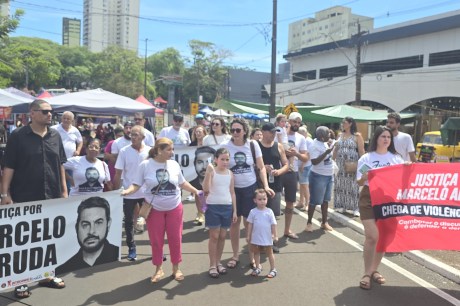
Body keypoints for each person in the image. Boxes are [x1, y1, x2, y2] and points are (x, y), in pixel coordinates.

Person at [1, 99, 67, 298]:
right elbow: (8, 167)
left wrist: (64, 190)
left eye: (51, 112)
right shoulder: (18, 136)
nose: (50, 115)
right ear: (33, 113)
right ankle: (21, 282)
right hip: (25, 196)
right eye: (46, 111)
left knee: (49, 239)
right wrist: (5, 194)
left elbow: (60, 164)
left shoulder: (56, 135)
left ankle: (46, 275)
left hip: (52, 196)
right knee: (24, 242)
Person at [121, 138, 200, 283]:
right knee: (156, 241)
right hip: (154, 210)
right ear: (158, 150)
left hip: (175, 208)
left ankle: (176, 268)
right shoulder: (145, 165)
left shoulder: (174, 164)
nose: (172, 152)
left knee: (175, 239)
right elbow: (136, 185)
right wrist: (127, 192)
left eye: (172, 149)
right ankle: (158, 269)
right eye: (169, 149)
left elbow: (182, 183)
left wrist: (196, 191)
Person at [221, 118, 274, 269]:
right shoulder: (225, 145)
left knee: (250, 223)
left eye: (238, 130)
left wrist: (266, 185)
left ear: (245, 131)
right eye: (233, 130)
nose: (235, 133)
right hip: (233, 190)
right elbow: (219, 165)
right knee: (234, 223)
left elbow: (261, 167)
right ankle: (235, 255)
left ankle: (252, 256)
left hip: (250, 188)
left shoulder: (252, 144)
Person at [356, 126, 404, 290]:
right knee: (372, 236)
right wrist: (364, 177)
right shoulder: (366, 158)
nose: (386, 139)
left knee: (384, 237)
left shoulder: (396, 159)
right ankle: (366, 274)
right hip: (369, 197)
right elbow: (359, 182)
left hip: (388, 198)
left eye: (388, 137)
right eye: (383, 136)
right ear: (376, 138)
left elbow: (402, 179)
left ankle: (373, 270)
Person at [113, 125, 151, 261]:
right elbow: (118, 173)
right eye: (131, 134)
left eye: (136, 135)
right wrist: (116, 192)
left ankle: (156, 249)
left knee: (152, 221)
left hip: (146, 193)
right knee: (128, 222)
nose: (132, 137)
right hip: (129, 192)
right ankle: (131, 248)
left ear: (143, 137)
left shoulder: (150, 151)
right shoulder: (124, 151)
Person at [56, 196, 119, 275]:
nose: (91, 231)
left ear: (108, 224)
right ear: (76, 227)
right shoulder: (62, 269)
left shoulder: (116, 254)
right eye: (85, 224)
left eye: (98, 223)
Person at [202, 148, 237, 278]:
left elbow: (232, 192)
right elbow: (206, 189)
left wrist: (235, 211)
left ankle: (218, 262)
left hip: (227, 207)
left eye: (227, 159)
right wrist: (208, 172)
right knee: (214, 236)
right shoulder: (212, 172)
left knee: (222, 236)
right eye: (222, 159)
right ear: (216, 159)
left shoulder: (230, 173)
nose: (225, 162)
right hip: (213, 207)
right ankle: (212, 265)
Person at [258, 122, 289, 253]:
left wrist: (279, 171)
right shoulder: (256, 145)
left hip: (275, 184)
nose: (273, 134)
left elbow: (286, 164)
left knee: (272, 215)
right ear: (263, 132)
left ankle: (271, 242)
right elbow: (252, 164)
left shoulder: (279, 146)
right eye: (271, 132)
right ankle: (259, 242)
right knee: (259, 215)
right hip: (259, 185)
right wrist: (262, 167)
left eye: (275, 132)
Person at [282, 112, 308, 239]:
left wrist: (296, 154)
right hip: (279, 170)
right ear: (289, 121)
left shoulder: (301, 138)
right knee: (273, 202)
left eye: (299, 122)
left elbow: (305, 157)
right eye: (294, 122)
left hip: (292, 172)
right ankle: (272, 233)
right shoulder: (280, 134)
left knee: (290, 202)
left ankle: (287, 230)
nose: (296, 124)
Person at [332, 117, 365, 216]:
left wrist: (363, 166)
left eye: (344, 122)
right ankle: (341, 205)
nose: (342, 124)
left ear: (350, 124)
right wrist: (332, 161)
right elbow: (336, 149)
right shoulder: (340, 135)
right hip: (340, 164)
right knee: (340, 184)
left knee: (353, 185)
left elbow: (361, 151)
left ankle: (355, 207)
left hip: (352, 164)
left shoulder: (357, 136)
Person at [305, 126, 334, 232]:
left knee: (325, 201)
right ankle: (309, 223)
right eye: (327, 134)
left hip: (328, 176)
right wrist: (326, 153)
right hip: (318, 176)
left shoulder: (325, 143)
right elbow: (314, 162)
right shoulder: (314, 146)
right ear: (321, 137)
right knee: (314, 201)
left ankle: (324, 223)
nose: (330, 135)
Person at [246, 189, 278, 279]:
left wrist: (275, 235)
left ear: (267, 199)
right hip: (256, 237)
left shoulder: (269, 212)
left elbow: (274, 224)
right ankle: (257, 267)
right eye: (259, 199)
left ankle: (273, 269)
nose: (262, 201)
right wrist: (248, 235)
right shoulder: (253, 212)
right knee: (256, 252)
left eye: (264, 199)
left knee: (269, 252)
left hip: (267, 237)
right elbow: (250, 224)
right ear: (255, 200)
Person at [189, 146, 216, 225]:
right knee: (199, 194)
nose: (204, 167)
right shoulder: (193, 182)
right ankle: (201, 213)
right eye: (200, 162)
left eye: (208, 161)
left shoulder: (218, 180)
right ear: (194, 164)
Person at [295, 125, 313, 212]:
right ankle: (301, 201)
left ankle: (307, 203)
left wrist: (302, 164)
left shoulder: (308, 141)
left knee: (305, 185)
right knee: (302, 184)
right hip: (301, 164)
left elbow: (308, 154)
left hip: (305, 165)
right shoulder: (304, 140)